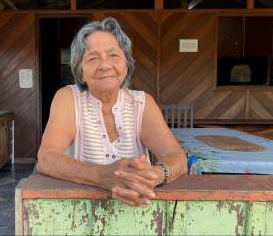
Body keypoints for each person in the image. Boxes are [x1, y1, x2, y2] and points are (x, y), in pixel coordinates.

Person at [37, 17, 187, 206]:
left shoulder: (142, 103)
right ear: (80, 71)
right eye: (92, 58)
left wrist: (152, 176)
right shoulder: (68, 98)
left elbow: (178, 158)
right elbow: (46, 158)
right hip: (78, 212)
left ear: (126, 65)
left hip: (136, 211)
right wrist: (103, 176)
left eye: (114, 55)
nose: (105, 65)